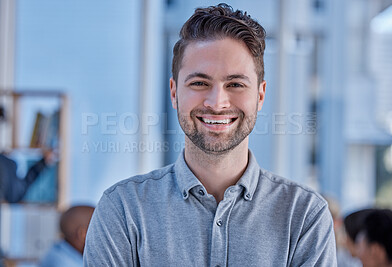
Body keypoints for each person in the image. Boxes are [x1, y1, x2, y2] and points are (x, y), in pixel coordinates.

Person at [84, 3, 337, 266]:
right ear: (174, 92)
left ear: (260, 95)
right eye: (199, 83)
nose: (217, 103)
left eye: (235, 84)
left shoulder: (305, 215)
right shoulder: (123, 210)